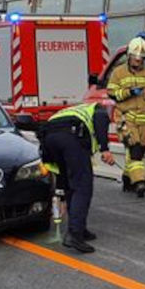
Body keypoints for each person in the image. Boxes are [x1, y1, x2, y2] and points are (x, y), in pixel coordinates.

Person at [39, 97, 120, 253]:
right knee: (83, 187)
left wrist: (61, 194)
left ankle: (79, 229)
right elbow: (101, 119)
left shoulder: (76, 110)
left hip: (49, 139)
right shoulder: (98, 110)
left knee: (70, 185)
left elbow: (62, 176)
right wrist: (105, 149)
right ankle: (74, 235)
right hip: (70, 138)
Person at [106, 36, 145, 198]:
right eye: (135, 57)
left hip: (144, 119)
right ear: (129, 56)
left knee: (137, 151)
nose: (138, 61)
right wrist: (128, 92)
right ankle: (139, 182)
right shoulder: (118, 73)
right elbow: (112, 93)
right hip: (125, 117)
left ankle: (127, 178)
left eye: (141, 59)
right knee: (135, 149)